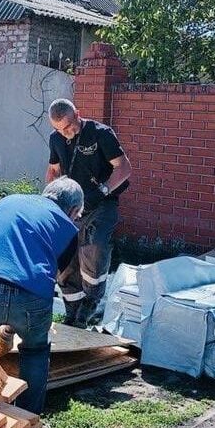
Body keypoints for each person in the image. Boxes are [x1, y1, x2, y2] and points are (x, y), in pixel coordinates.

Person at [0, 177, 83, 413]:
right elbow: (55, 273)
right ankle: (28, 416)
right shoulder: (67, 228)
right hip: (32, 298)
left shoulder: (8, 201)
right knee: (36, 352)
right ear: (72, 210)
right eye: (77, 214)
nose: (76, 219)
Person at [45, 99, 132, 328]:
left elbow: (123, 168)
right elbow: (53, 171)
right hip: (71, 206)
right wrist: (54, 195)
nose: (66, 133)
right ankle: (73, 311)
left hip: (100, 203)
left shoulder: (100, 134)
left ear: (78, 115)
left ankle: (91, 302)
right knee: (65, 256)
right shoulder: (57, 139)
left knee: (93, 247)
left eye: (69, 126)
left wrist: (102, 190)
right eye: (60, 130)